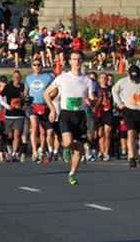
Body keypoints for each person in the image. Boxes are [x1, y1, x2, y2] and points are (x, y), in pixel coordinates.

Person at [44, 50, 97, 185]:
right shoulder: (62, 77)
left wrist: (91, 102)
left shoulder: (88, 80)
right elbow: (46, 93)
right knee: (67, 143)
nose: (77, 62)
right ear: (70, 61)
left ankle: (72, 174)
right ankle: (67, 148)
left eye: (79, 59)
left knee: (79, 148)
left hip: (80, 115)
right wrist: (52, 110)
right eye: (74, 59)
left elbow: (92, 99)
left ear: (82, 61)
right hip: (66, 114)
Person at [112, 65, 140, 167]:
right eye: (133, 77)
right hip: (129, 110)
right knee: (131, 132)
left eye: (137, 77)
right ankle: (131, 156)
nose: (135, 80)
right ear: (128, 74)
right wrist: (119, 103)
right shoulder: (122, 82)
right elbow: (114, 91)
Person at [26, 60, 53, 162]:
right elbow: (26, 91)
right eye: (34, 65)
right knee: (34, 126)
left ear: (42, 66)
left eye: (39, 65)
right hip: (33, 106)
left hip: (45, 106)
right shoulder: (29, 78)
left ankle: (41, 149)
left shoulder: (48, 77)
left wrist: (51, 98)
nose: (37, 66)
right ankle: (34, 151)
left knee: (43, 131)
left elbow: (54, 89)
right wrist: (25, 98)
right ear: (32, 66)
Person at [0, 70, 27, 162]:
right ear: (12, 78)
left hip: (19, 115)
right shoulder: (8, 87)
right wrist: (8, 106)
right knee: (9, 135)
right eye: (15, 77)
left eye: (18, 77)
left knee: (17, 135)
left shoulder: (23, 87)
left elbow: (26, 98)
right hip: (9, 115)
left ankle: (14, 153)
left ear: (20, 78)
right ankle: (7, 150)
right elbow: (0, 98)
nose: (16, 78)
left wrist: (23, 104)